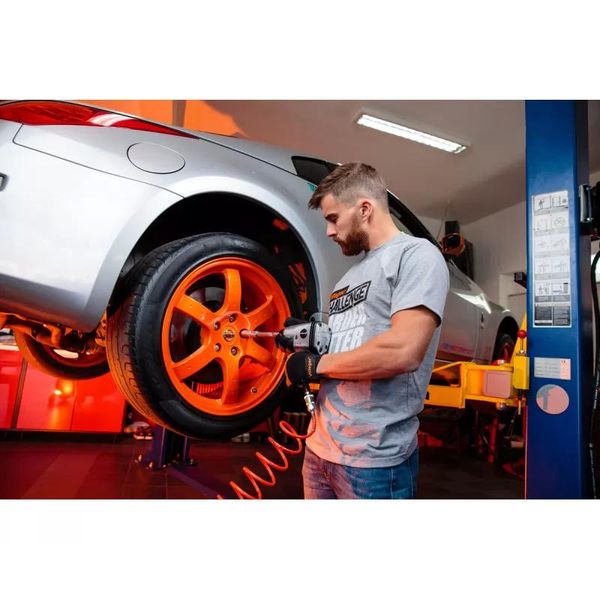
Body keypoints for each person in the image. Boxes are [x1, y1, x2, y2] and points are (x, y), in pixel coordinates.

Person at [285, 162, 449, 499]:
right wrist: (306, 341)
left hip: (373, 461)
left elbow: (403, 351)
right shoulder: (348, 278)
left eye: (333, 218)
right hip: (319, 448)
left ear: (364, 209)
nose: (329, 231)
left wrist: (316, 366)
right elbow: (345, 348)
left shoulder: (417, 256)